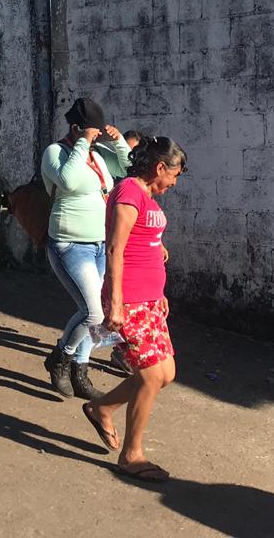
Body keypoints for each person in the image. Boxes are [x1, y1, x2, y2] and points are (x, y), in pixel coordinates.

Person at [82, 136, 187, 482]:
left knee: (166, 373)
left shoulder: (145, 196)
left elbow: (144, 238)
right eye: (174, 175)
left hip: (150, 298)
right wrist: (115, 300)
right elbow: (115, 247)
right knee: (152, 375)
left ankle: (102, 407)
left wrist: (159, 260)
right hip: (130, 299)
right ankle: (131, 455)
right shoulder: (129, 191)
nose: (173, 183)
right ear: (160, 167)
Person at [39, 97, 133, 399]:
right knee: (92, 313)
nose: (95, 137)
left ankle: (80, 370)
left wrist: (118, 142)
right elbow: (68, 181)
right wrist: (82, 143)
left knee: (102, 312)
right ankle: (60, 358)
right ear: (77, 128)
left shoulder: (100, 154)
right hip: (69, 244)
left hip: (99, 243)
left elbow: (130, 168)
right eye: (90, 131)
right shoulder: (55, 152)